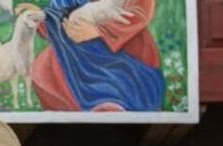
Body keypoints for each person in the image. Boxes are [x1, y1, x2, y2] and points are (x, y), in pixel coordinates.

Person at [31, 0, 165, 112]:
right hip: (74, 50)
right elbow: (59, 12)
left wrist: (98, 31)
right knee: (43, 69)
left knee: (118, 83)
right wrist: (41, 17)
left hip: (120, 48)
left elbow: (139, 13)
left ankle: (115, 103)